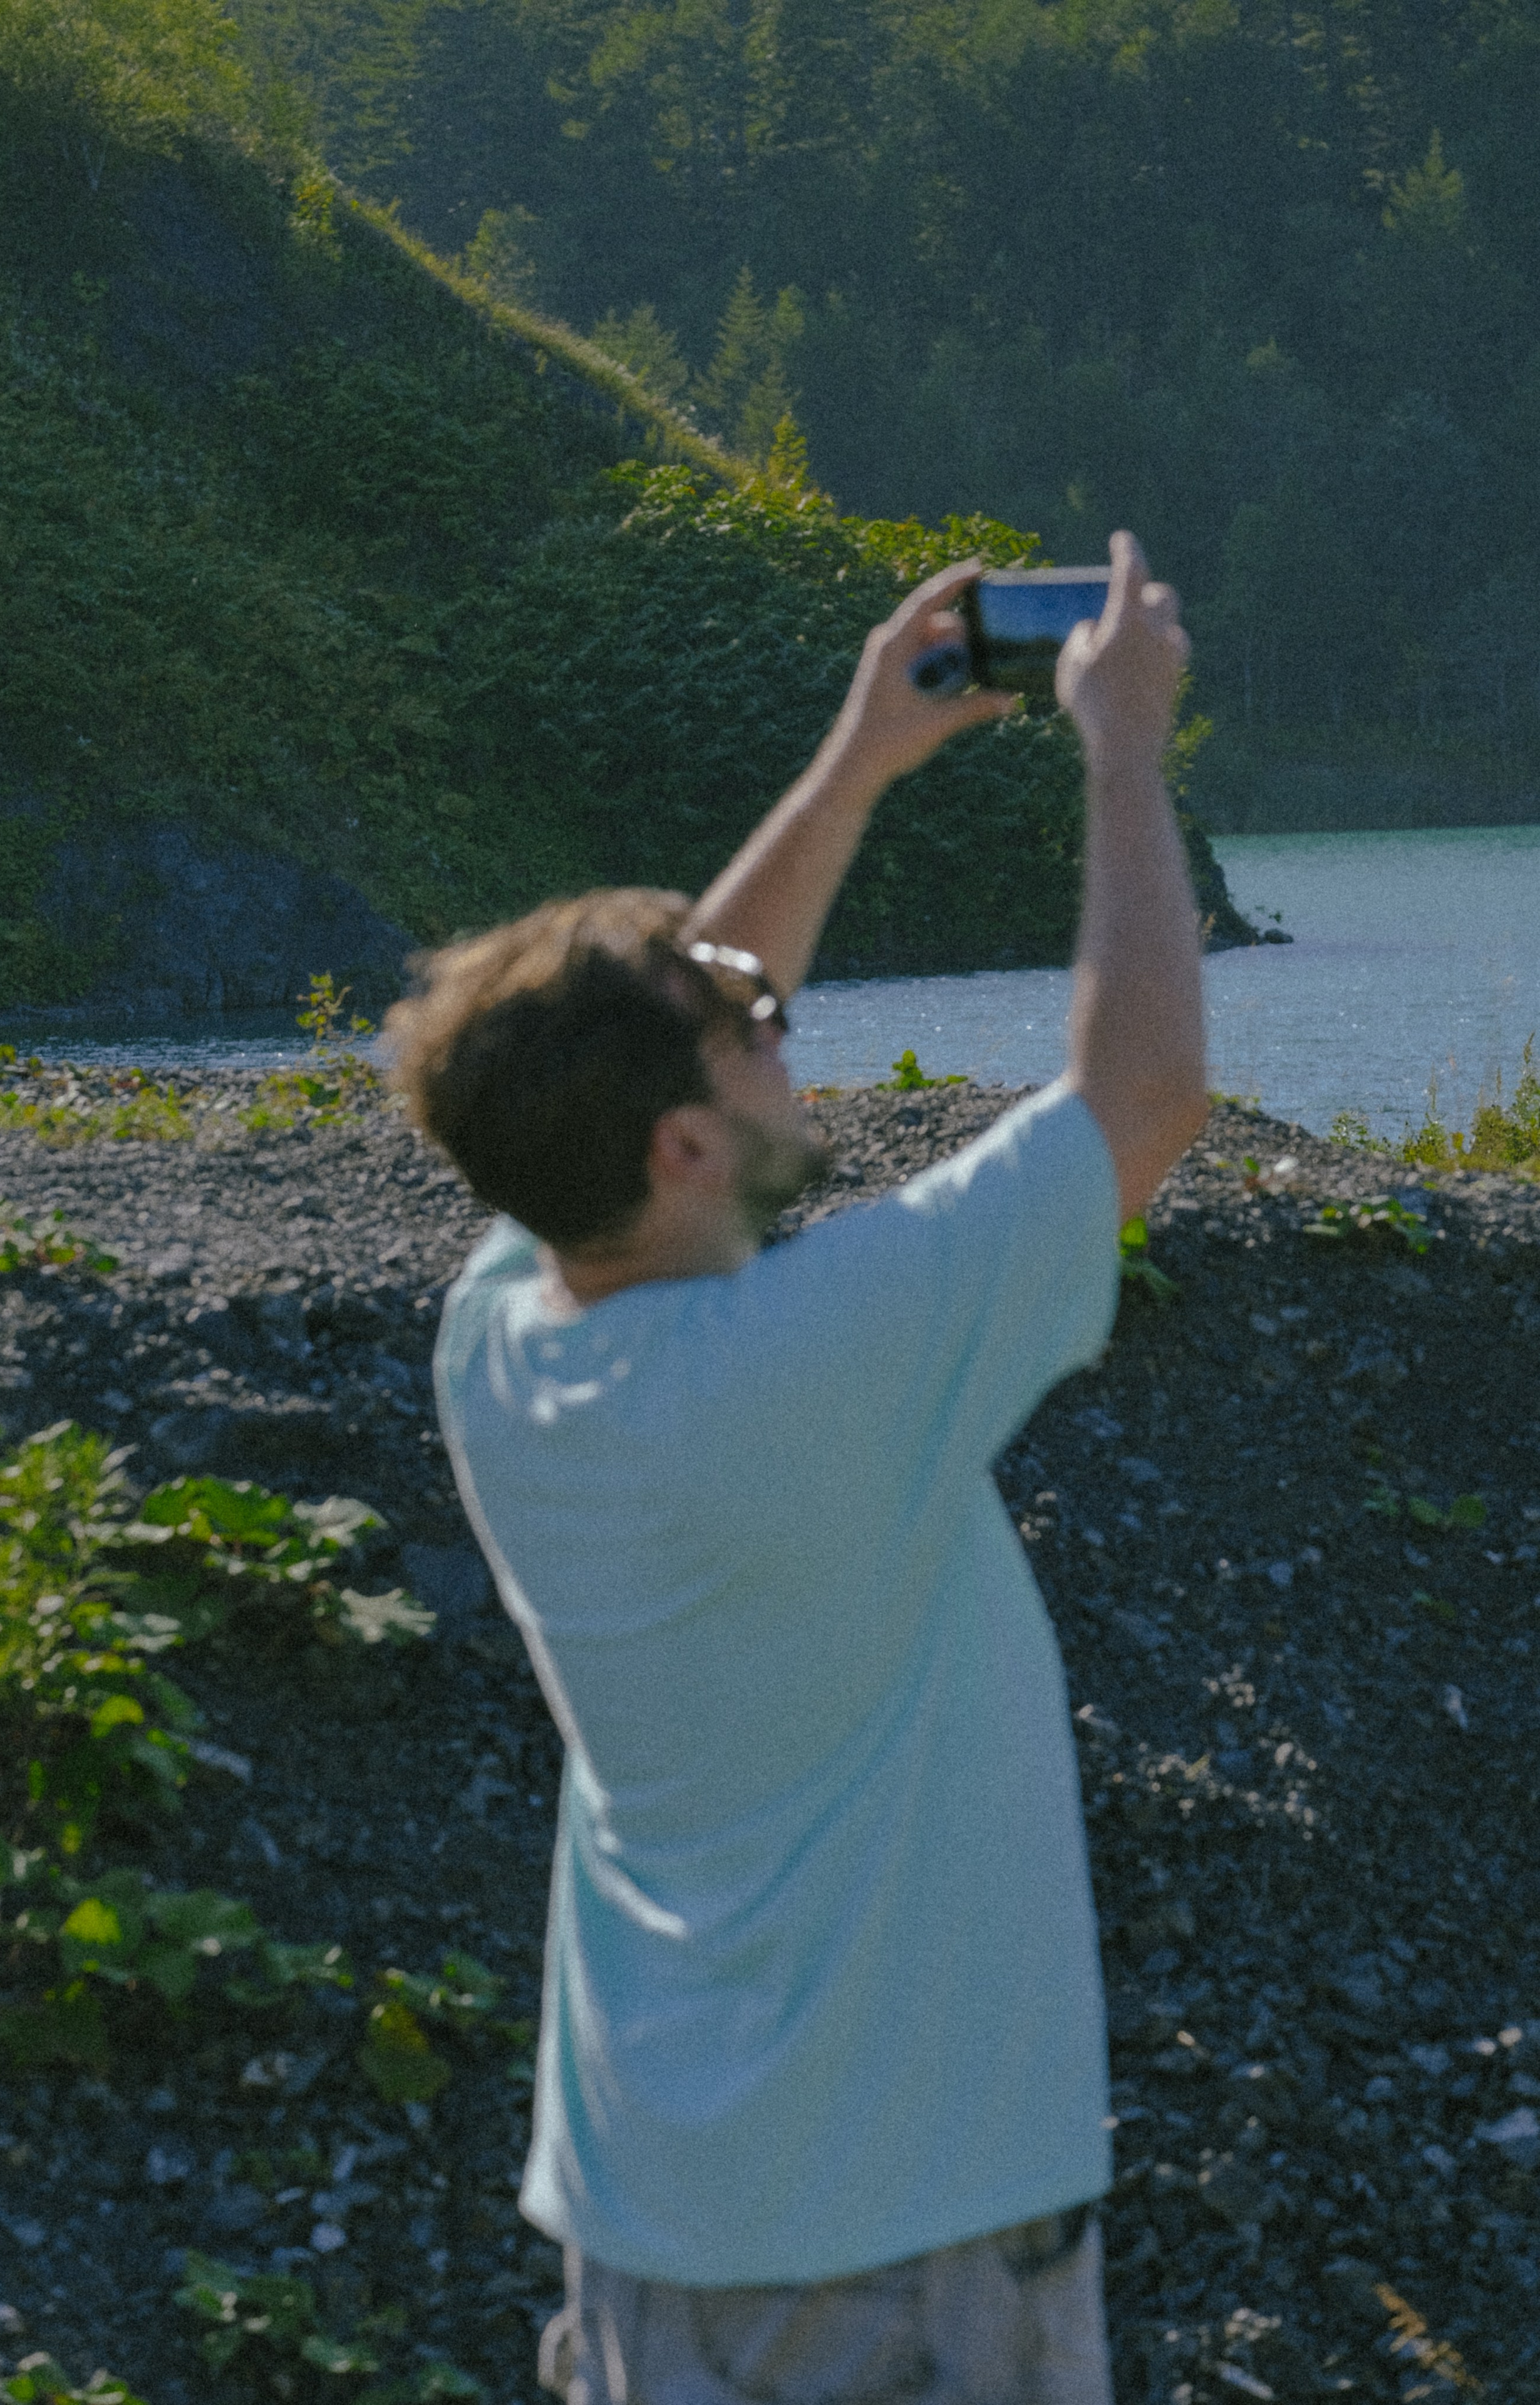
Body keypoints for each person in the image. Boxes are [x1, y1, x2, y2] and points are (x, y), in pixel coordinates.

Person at [385, 534, 1207, 2405]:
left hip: (651, 2213)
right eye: (756, 1032)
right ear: (684, 1148)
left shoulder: (509, 1333)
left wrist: (857, 769)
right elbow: (1146, 1091)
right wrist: (1123, 752)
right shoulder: (819, 1358)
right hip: (905, 2227)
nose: (783, 1017)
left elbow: (660, 1031)